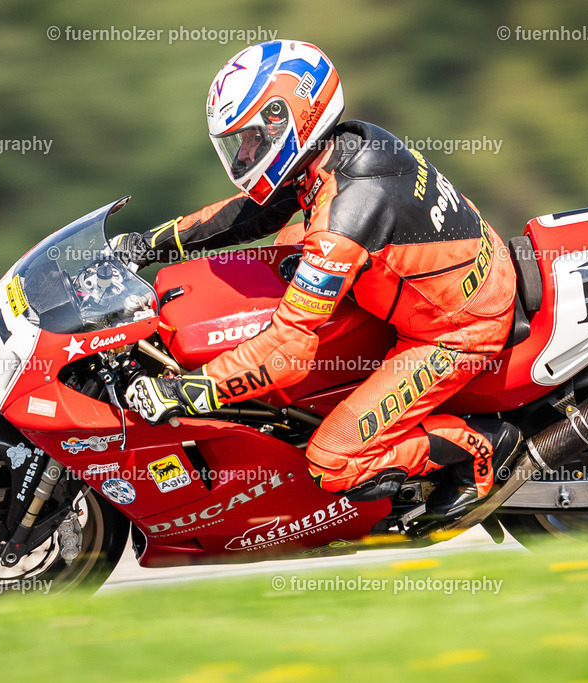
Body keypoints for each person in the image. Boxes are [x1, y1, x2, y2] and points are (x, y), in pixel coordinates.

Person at [122, 39, 520, 518]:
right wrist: (152, 243)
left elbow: (289, 349)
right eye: (238, 143)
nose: (244, 155)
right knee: (282, 246)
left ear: (286, 118)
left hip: (457, 331)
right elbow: (256, 213)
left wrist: (192, 389)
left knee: (332, 463)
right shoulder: (346, 143)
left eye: (251, 138)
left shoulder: (343, 219)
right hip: (454, 273)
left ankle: (483, 445)